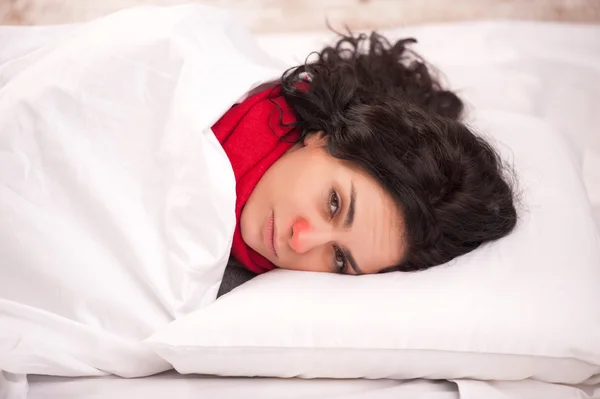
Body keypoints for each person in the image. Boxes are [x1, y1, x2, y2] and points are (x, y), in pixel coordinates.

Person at [212, 31, 518, 280]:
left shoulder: (223, 294)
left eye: (339, 258)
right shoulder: (209, 89)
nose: (300, 241)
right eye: (334, 203)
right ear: (322, 135)